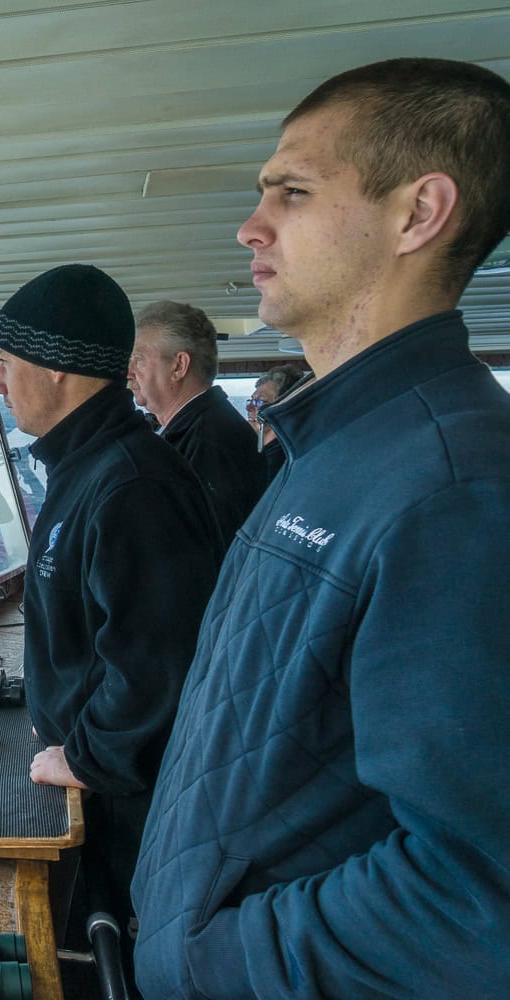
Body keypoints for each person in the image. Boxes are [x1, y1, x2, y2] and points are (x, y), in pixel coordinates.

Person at [133, 57, 510, 999]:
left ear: (419, 214)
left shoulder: (453, 486)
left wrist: (206, 957)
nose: (249, 226)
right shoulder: (340, 447)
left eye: (292, 192)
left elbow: (480, 894)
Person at [0, 264, 225, 986]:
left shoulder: (131, 481)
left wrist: (88, 758)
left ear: (59, 369)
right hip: (105, 789)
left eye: (4, 363)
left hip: (131, 807)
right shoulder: (89, 467)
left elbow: (161, 661)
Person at [128, 301, 270, 543]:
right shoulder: (197, 431)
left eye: (137, 359)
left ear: (178, 365)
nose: (128, 371)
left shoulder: (211, 444)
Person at [245, 362, 309, 482]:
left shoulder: (287, 457)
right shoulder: (254, 450)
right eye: (251, 400)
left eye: (261, 402)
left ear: (285, 407)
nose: (248, 407)